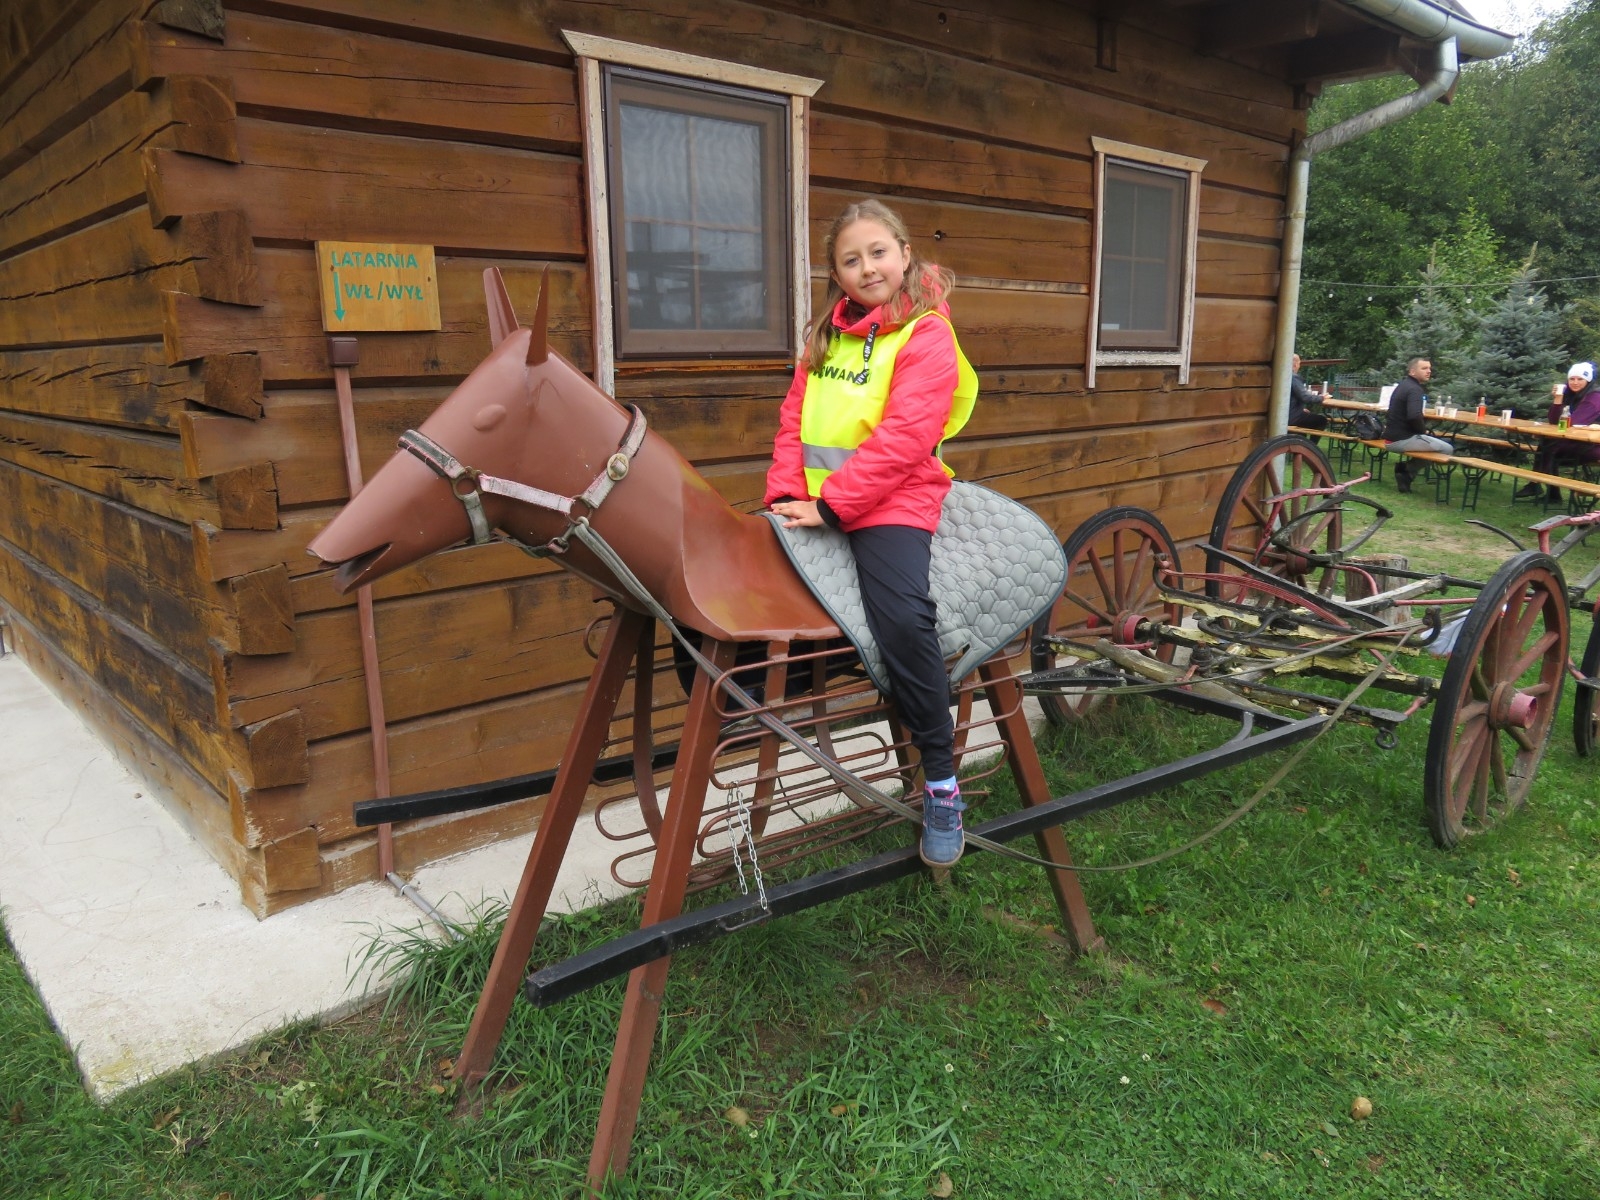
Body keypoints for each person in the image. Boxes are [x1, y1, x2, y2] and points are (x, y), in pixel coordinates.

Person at [766, 198, 978, 868]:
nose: (868, 268)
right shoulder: (822, 338)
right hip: (817, 500)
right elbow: (794, 421)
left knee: (904, 619)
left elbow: (906, 437)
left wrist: (833, 508)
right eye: (851, 259)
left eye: (879, 252)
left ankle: (941, 782)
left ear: (905, 253)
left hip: (894, 500)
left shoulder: (927, 335)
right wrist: (785, 495)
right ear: (836, 273)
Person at [1517, 362, 1600, 500]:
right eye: (1572, 379)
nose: (1575, 382)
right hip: (1577, 441)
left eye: (1580, 379)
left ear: (1588, 380)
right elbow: (1554, 421)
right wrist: (1558, 398)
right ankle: (1545, 490)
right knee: (1547, 444)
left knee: (1550, 446)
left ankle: (1539, 486)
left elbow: (1572, 423)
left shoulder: (1595, 398)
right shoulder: (1570, 394)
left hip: (1594, 445)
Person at [1383, 357, 1452, 494]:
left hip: (1391, 437)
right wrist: (1422, 431)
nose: (1429, 371)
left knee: (1435, 444)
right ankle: (1407, 471)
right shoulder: (1415, 389)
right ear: (1412, 371)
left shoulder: (1403, 385)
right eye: (1424, 368)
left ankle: (1406, 471)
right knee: (1447, 449)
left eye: (1429, 368)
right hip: (1401, 440)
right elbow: (1414, 416)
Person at [1288, 353, 1328, 432]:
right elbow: (1305, 397)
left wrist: (1300, 409)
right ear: (1296, 365)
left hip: (1286, 415)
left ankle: (1302, 439)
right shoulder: (1293, 378)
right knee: (1322, 420)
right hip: (1291, 418)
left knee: (1306, 419)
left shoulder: (1282, 376)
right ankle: (1312, 441)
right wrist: (1322, 397)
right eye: (1299, 364)